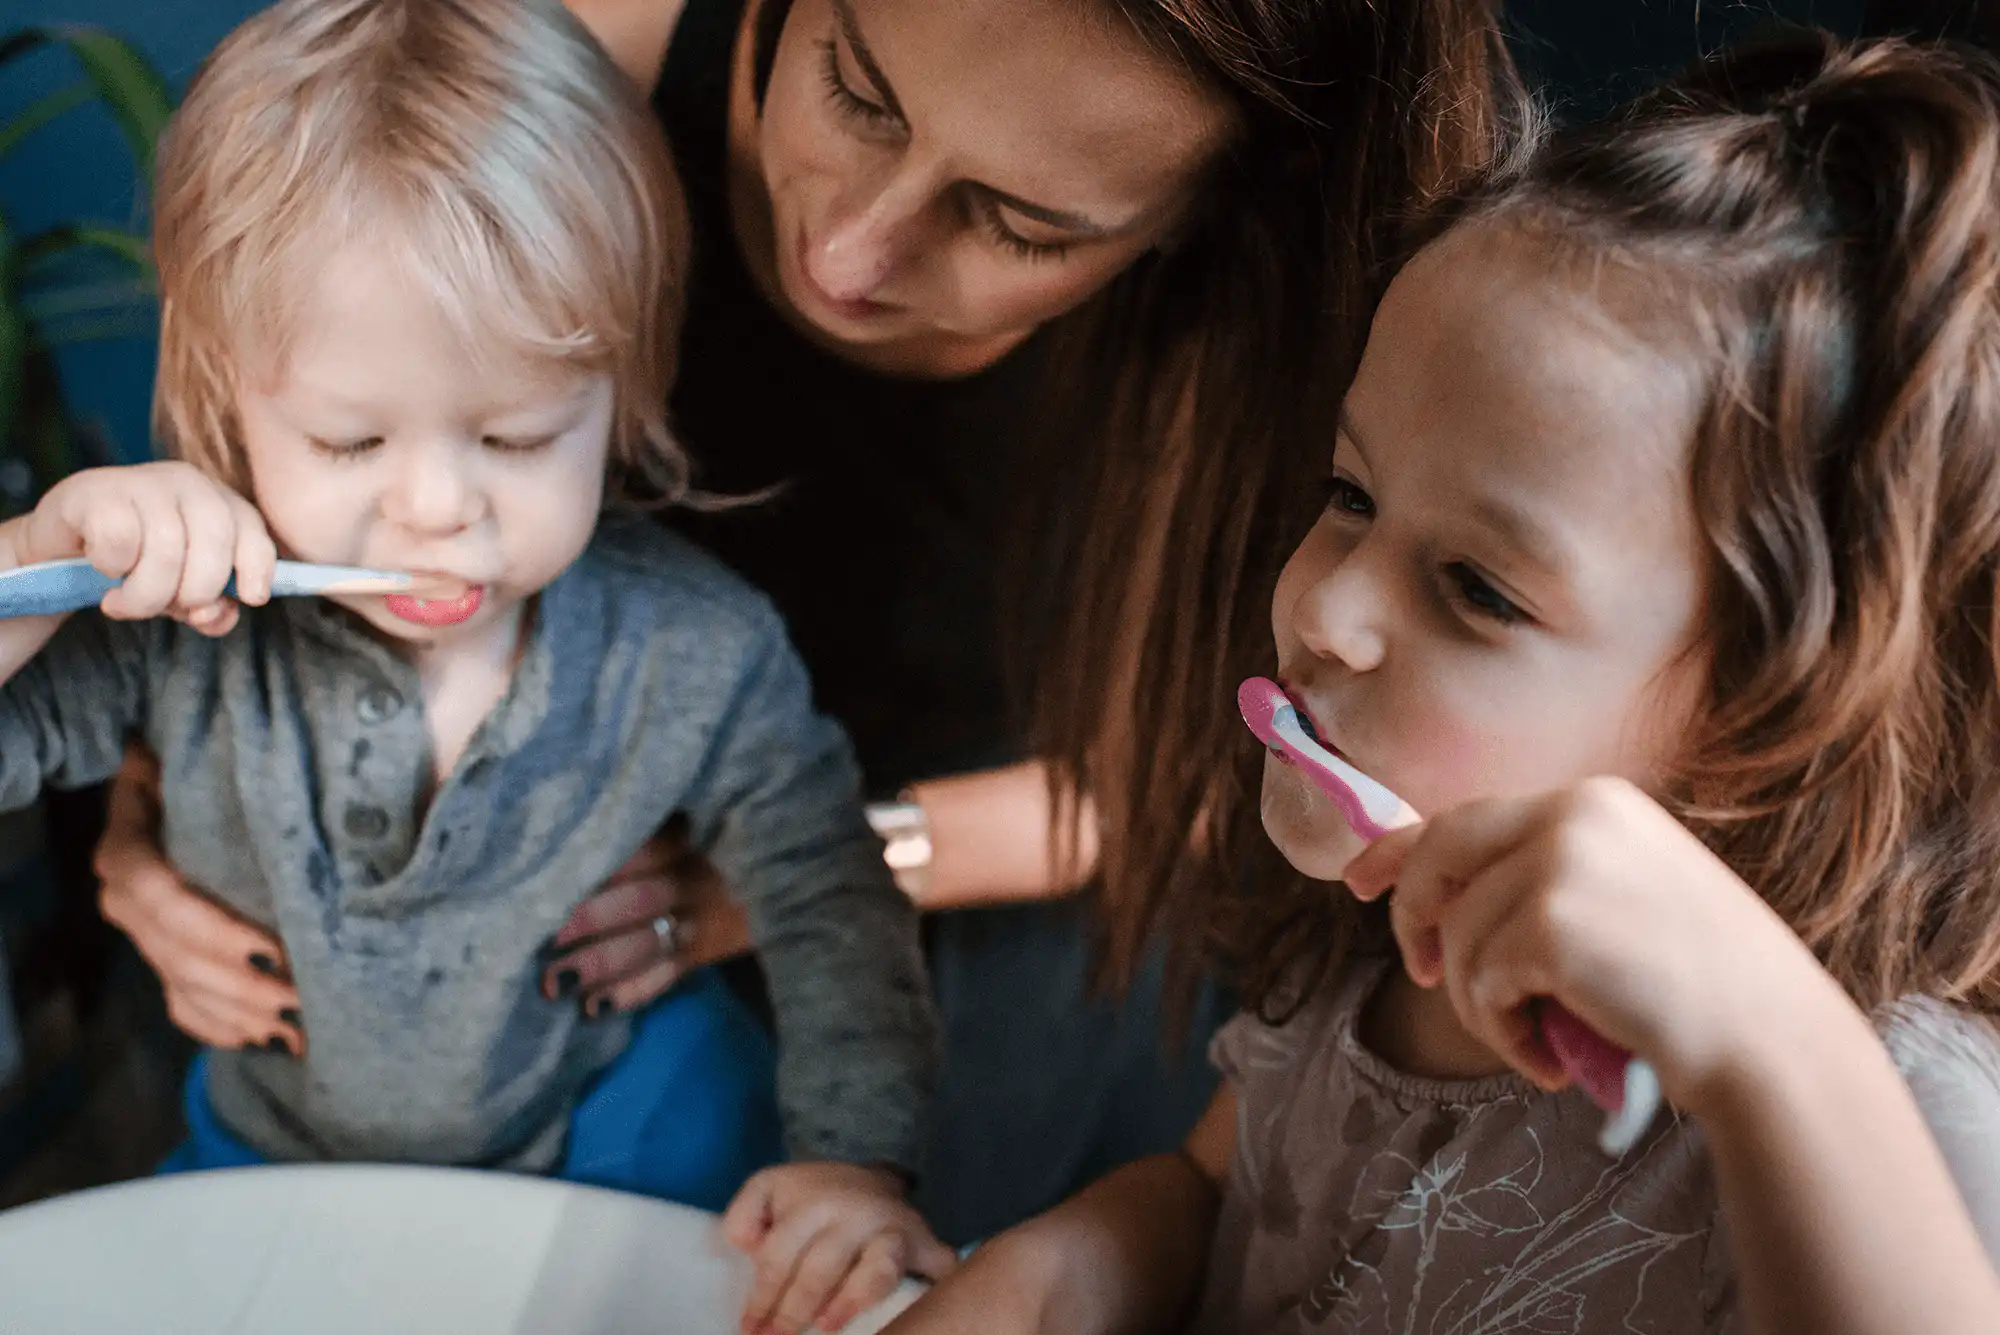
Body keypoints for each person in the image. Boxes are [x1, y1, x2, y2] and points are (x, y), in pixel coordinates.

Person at [91, 0, 1519, 1278]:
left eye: (1021, 223)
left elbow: (1228, 779)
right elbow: (238, 526)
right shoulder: (528, 68)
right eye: (855, 84)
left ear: (1210, 222)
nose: (847, 252)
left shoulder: (1318, 337)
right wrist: (153, 826)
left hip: (1011, 888)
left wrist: (813, 864)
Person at [878, 29, 2000, 1335]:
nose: (1325, 603)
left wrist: (1771, 1049)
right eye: (1351, 495)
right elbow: (1213, 1187)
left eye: (1480, 589)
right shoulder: (1382, 945)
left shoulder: (1888, 1114)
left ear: (1777, 719)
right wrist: (1058, 1272)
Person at [1, 0, 952, 1326]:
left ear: (623, 390)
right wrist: (39, 557)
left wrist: (855, 1163)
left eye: (514, 437)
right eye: (346, 442)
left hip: (645, 1163)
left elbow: (828, 888)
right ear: (229, 393)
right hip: (277, 1168)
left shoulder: (699, 645)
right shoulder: (179, 634)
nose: (441, 509)